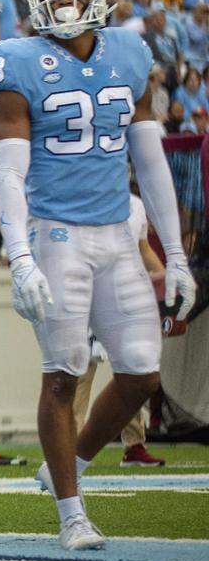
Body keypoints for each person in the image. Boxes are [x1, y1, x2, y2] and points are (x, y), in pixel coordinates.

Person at [0, 0, 196, 551]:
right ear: (34, 1)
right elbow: (9, 171)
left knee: (140, 374)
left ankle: (63, 465)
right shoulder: (17, 62)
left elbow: (150, 160)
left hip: (115, 233)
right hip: (55, 233)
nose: (66, 2)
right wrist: (18, 254)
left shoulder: (129, 52)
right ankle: (72, 513)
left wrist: (174, 255)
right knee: (62, 374)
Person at [72, 195, 167, 469]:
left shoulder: (135, 205)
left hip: (124, 296)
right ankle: (70, 449)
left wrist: (164, 276)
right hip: (91, 292)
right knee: (80, 373)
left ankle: (134, 445)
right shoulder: (86, 198)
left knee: (133, 372)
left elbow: (143, 248)